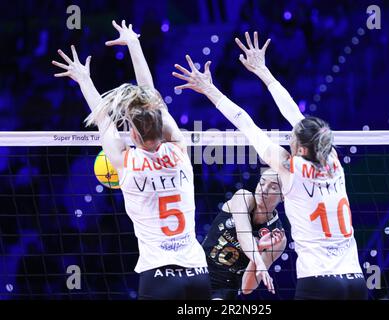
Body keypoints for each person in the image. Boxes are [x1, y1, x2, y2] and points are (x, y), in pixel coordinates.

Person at [172, 31, 367, 300]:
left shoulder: (288, 167)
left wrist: (209, 89)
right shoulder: (331, 158)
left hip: (319, 281)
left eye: (292, 138)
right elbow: (296, 116)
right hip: (355, 279)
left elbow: (245, 122)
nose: (289, 137)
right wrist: (264, 72)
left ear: (301, 148)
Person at [52, 22, 210, 300]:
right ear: (161, 126)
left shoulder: (126, 163)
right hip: (197, 272)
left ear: (133, 134)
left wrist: (84, 79)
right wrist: (135, 44)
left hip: (157, 275)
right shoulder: (180, 150)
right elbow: (151, 97)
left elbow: (102, 118)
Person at [202, 169, 286, 300]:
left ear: (283, 196)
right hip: (198, 266)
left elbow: (247, 288)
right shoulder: (243, 197)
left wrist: (259, 249)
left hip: (224, 286)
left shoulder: (278, 238)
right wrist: (259, 261)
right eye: (262, 183)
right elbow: (244, 234)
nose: (264, 190)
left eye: (273, 187)